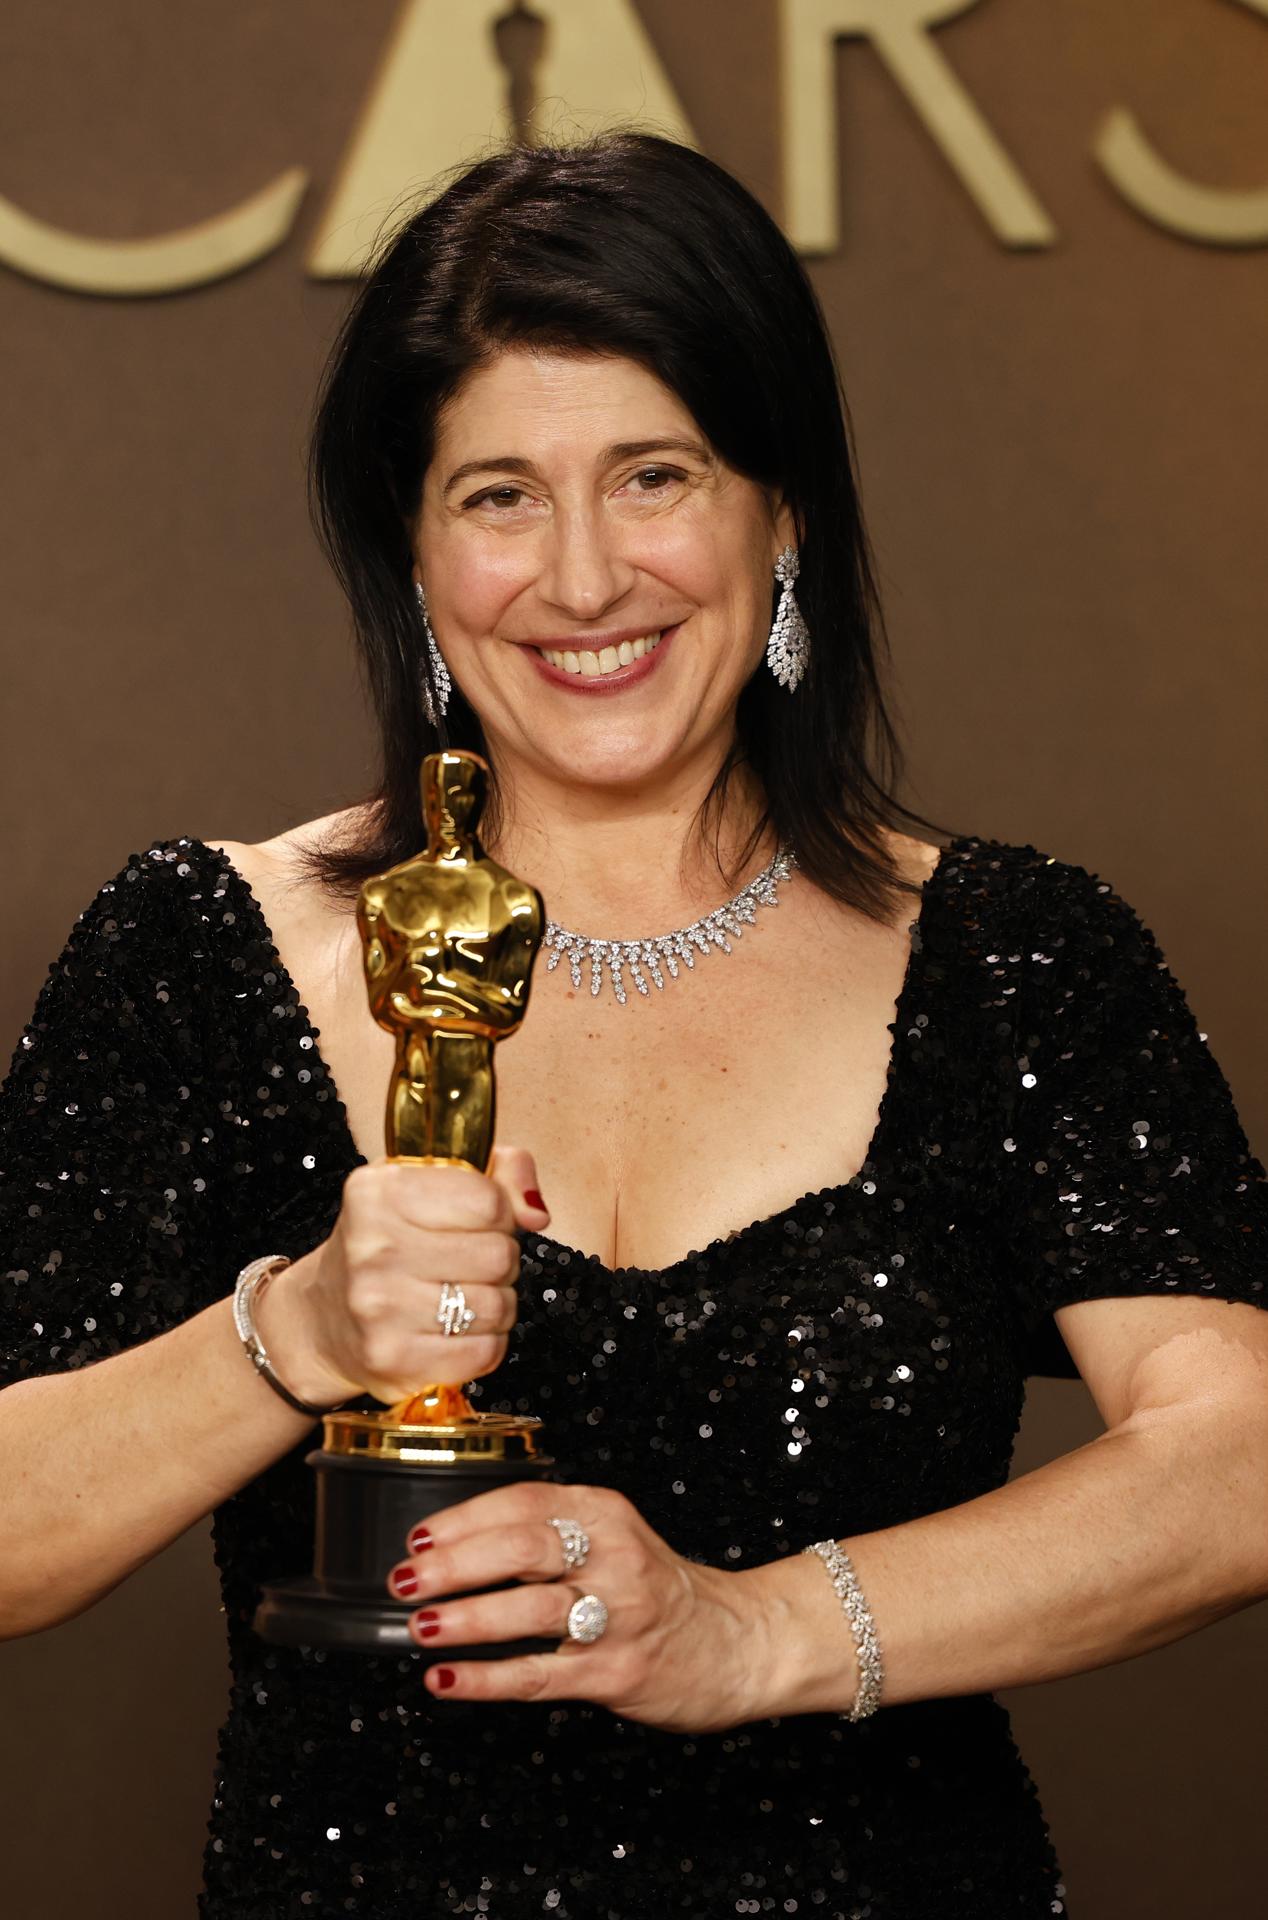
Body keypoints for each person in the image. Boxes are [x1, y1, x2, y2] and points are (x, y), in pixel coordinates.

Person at [1, 132, 1265, 1920]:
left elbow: (1237, 1463)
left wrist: (749, 1631)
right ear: (414, 552)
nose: (585, 579)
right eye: (499, 494)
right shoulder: (200, 950)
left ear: (785, 508)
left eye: (654, 475)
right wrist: (288, 1332)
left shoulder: (1018, 958)